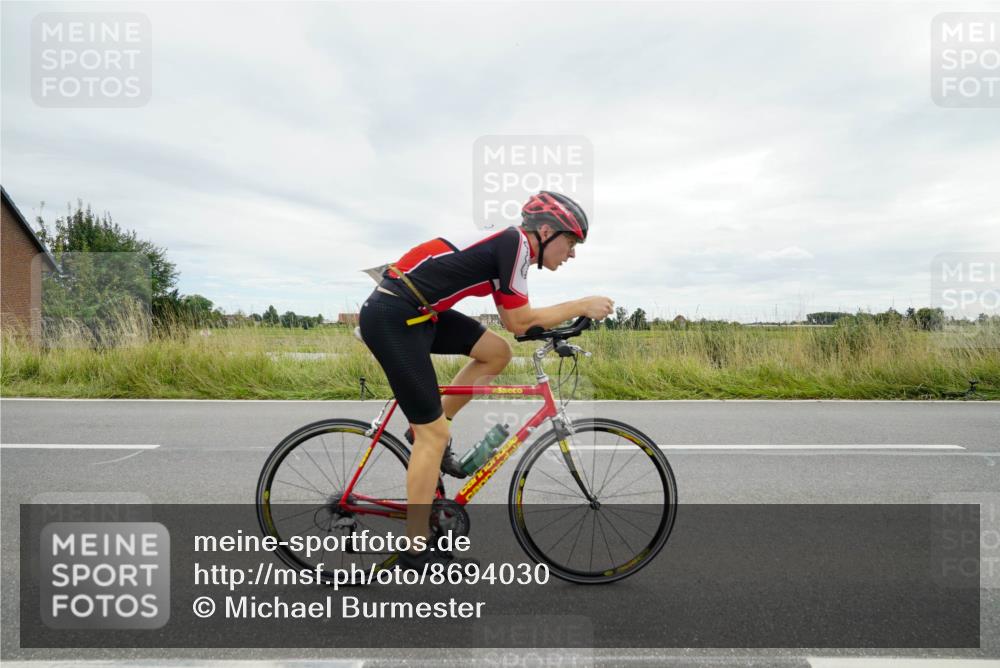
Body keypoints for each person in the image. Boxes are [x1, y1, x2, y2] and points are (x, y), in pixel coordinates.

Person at [358, 191, 614, 570]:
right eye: (571, 242)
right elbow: (521, 321)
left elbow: (513, 326)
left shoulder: (513, 251)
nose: (572, 253)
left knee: (496, 352)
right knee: (434, 437)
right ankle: (416, 548)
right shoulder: (514, 244)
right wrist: (580, 305)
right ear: (545, 231)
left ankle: (431, 428)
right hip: (394, 316)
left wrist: (559, 329)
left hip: (419, 312)